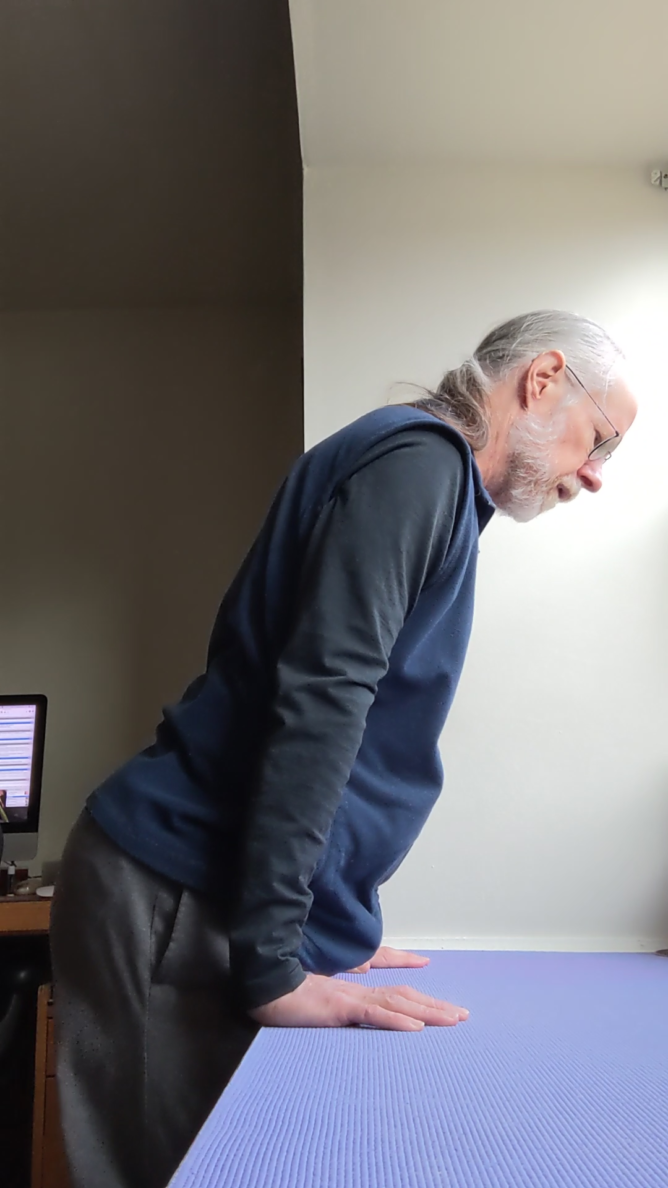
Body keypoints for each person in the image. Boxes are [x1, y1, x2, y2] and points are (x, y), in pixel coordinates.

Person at [51, 310, 637, 1188]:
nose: (593, 475)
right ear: (544, 379)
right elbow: (322, 701)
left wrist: (330, 922)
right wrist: (274, 963)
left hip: (204, 891)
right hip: (168, 887)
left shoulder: (430, 480)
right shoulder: (419, 465)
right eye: (602, 440)